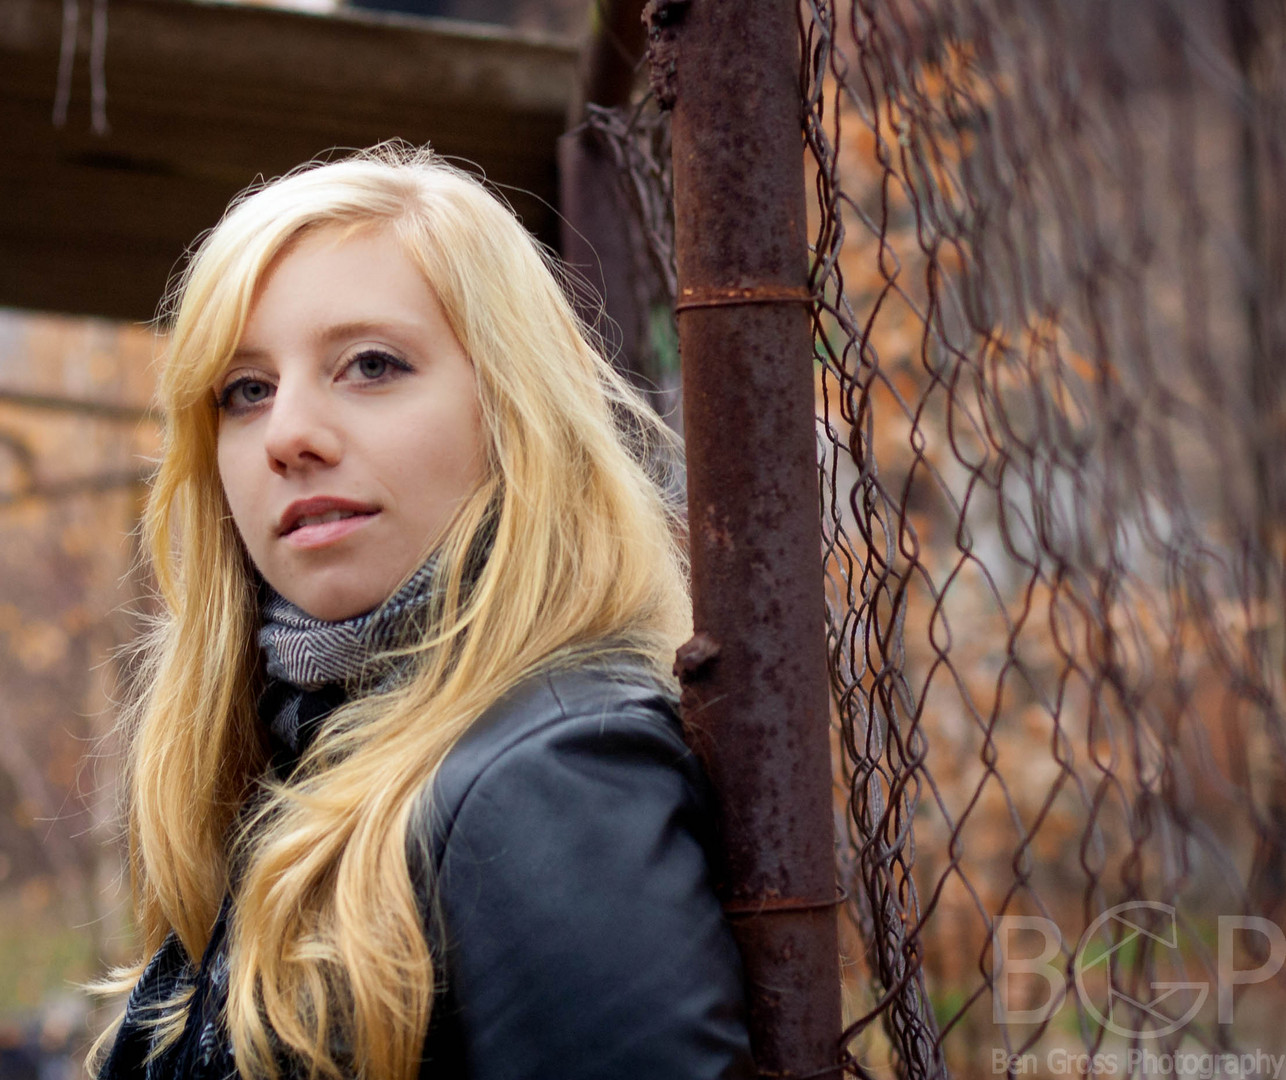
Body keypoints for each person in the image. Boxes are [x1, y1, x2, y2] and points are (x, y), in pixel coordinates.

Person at [94, 145, 754, 1080]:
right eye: (247, 390)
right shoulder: (305, 741)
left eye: (371, 365)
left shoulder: (547, 776)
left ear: (514, 406)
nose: (287, 436)